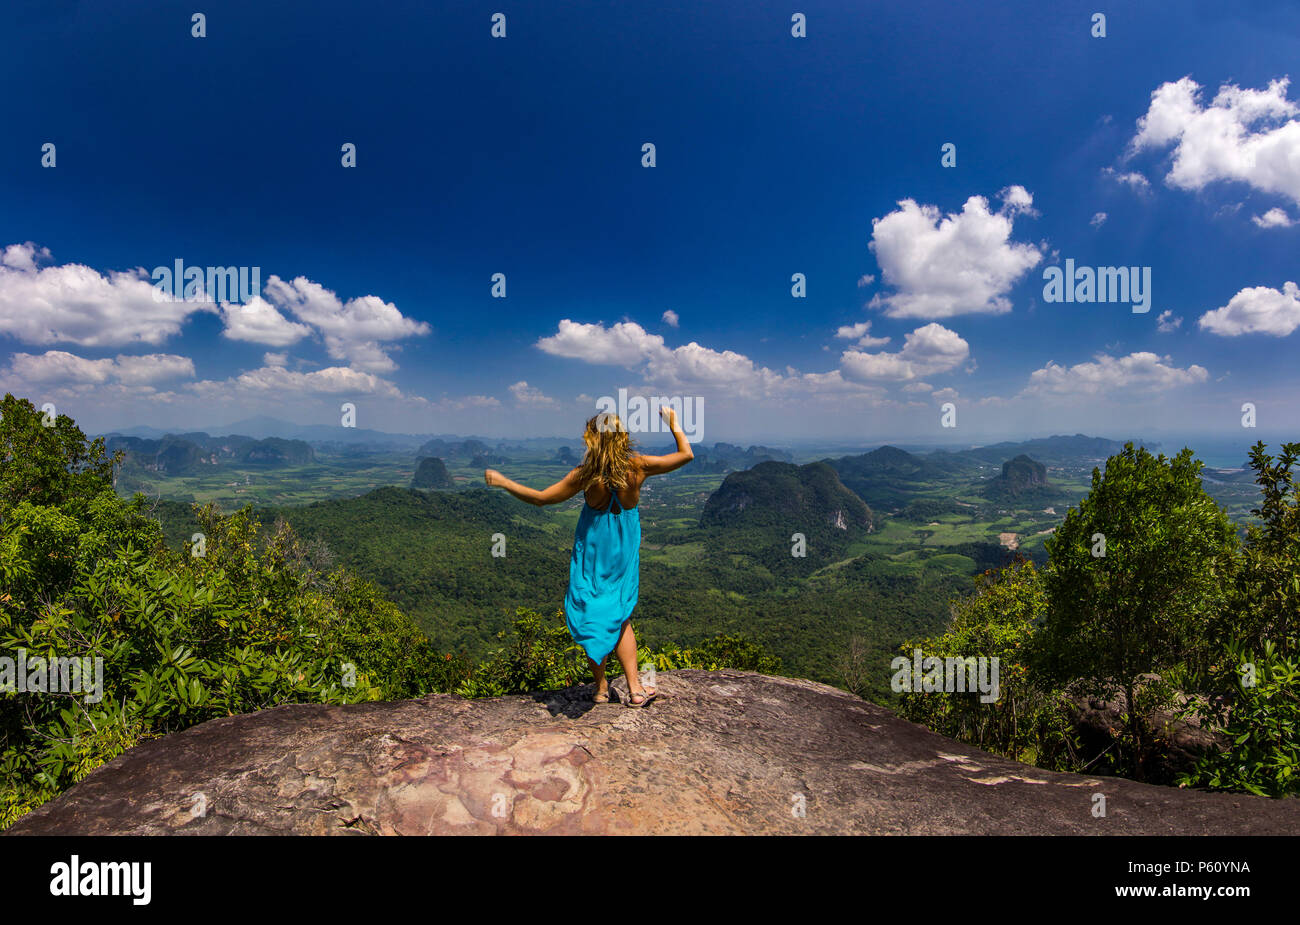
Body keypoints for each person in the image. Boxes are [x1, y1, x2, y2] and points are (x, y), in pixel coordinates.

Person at [484, 406, 694, 705]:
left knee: (590, 610)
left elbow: (541, 499)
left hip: (593, 551)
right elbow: (686, 454)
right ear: (622, 437)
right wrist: (673, 423)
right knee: (619, 614)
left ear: (591, 439)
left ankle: (600, 688)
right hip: (621, 551)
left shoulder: (584, 476)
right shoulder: (639, 466)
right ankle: (635, 689)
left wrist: (505, 482)